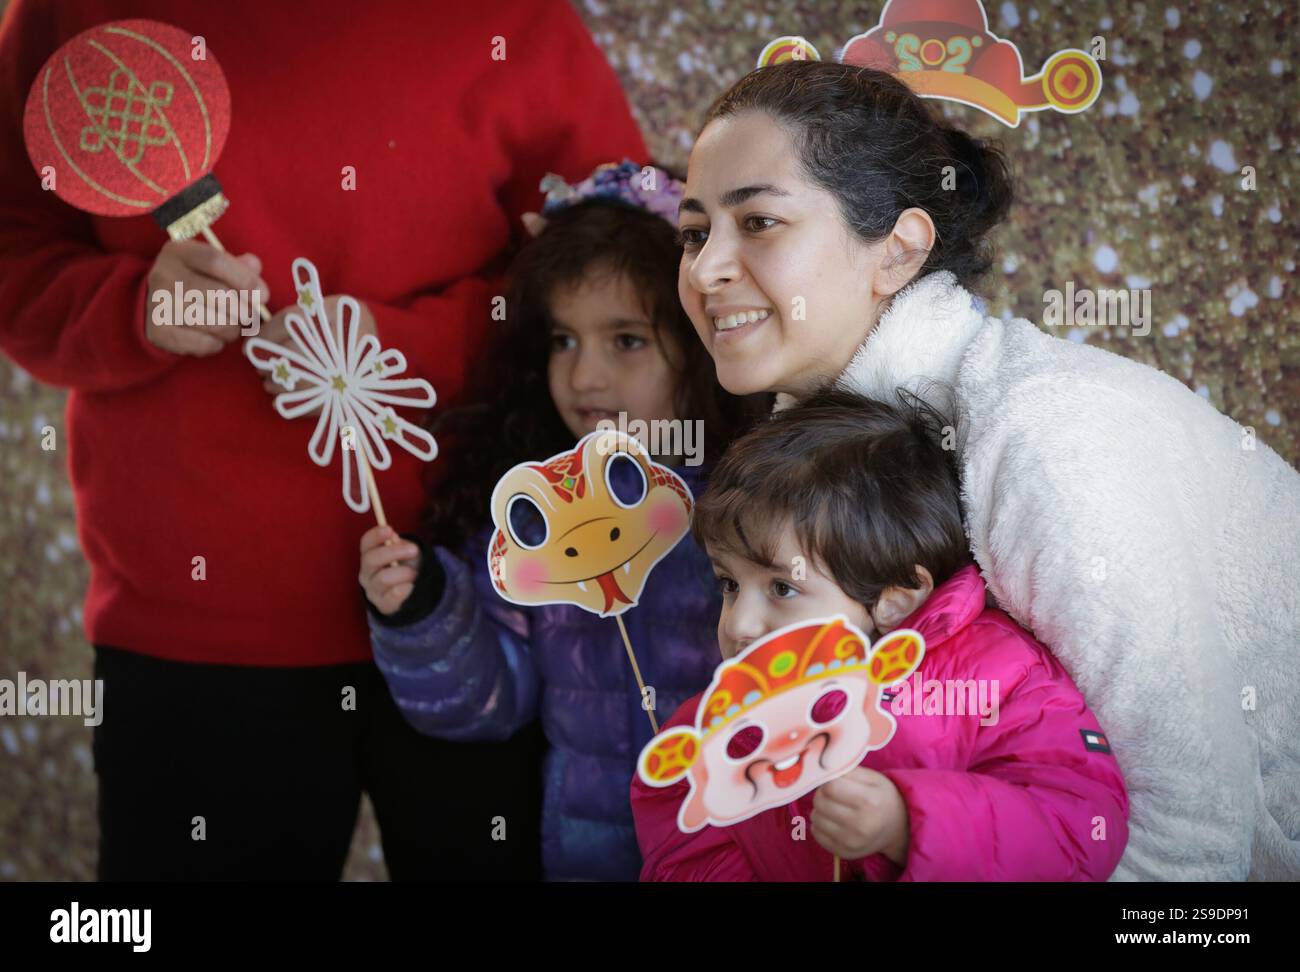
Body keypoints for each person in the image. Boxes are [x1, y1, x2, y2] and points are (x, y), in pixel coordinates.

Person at [0, 0, 647, 880]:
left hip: (492, 600)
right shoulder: (69, 14)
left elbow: (618, 256)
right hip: (196, 626)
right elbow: (16, 252)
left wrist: (400, 348)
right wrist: (132, 308)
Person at [671, 58, 1300, 880]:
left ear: (897, 251)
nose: (705, 267)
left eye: (756, 223)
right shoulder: (806, 448)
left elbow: (1195, 843)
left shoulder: (1048, 435)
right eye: (692, 232)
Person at [360, 166, 761, 880]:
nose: (584, 378)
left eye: (627, 340)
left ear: (702, 338)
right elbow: (490, 702)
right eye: (562, 341)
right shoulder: (534, 519)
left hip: (742, 850)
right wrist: (423, 612)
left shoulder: (760, 499)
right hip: (590, 859)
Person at [633, 390, 1129, 881]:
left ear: (896, 598)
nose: (738, 624)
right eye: (730, 584)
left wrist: (908, 823)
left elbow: (1079, 826)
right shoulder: (712, 725)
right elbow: (681, 841)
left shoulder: (998, 678)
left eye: (782, 588)